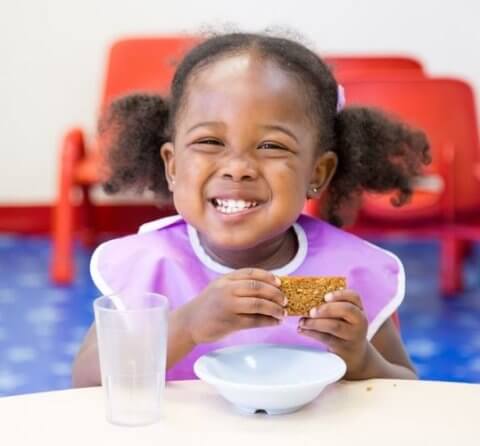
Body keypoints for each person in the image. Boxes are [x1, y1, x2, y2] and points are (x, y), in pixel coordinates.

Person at [72, 32, 430, 387]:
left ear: (317, 172)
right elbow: (86, 382)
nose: (238, 167)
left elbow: (405, 387)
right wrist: (186, 326)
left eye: (272, 145)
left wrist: (362, 361)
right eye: (210, 142)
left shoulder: (352, 271)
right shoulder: (148, 266)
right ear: (173, 166)